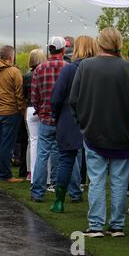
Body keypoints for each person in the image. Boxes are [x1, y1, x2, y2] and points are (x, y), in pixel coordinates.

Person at [70, 28, 129, 238]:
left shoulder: (86, 66)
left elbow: (74, 100)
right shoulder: (128, 68)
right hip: (122, 132)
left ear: (100, 43)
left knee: (97, 180)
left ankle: (96, 225)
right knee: (119, 181)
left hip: (93, 131)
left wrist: (83, 121)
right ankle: (117, 226)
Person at [49, 36, 98, 213]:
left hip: (69, 120)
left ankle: (59, 201)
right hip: (94, 120)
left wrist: (58, 116)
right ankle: (93, 205)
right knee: (96, 164)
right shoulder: (97, 70)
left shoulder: (69, 70)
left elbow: (55, 98)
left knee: (66, 161)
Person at [30, 37, 68, 202]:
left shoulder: (39, 69)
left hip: (45, 118)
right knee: (66, 155)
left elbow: (34, 96)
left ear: (50, 50)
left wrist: (40, 110)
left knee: (42, 155)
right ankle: (72, 192)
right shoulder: (68, 68)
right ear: (63, 50)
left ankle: (38, 192)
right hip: (63, 118)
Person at [0, 46, 25, 183]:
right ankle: (6, 174)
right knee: (7, 145)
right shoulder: (14, 71)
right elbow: (19, 93)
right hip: (10, 112)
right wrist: (21, 109)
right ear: (11, 57)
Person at [23, 49, 46, 182]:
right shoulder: (45, 72)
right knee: (45, 142)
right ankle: (45, 175)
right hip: (43, 108)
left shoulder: (26, 76)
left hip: (30, 108)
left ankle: (32, 174)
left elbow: (23, 95)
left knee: (33, 141)